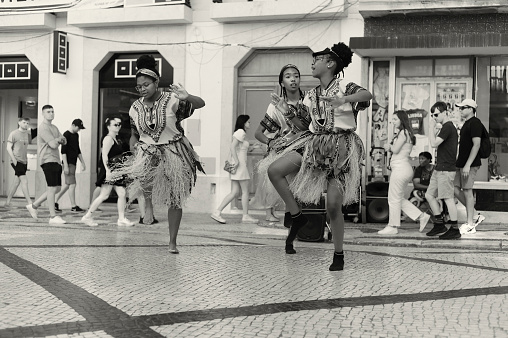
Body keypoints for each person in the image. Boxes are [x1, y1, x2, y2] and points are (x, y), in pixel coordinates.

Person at [268, 43, 372, 271]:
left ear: (330, 64)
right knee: (274, 170)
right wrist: (286, 110)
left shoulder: (344, 85)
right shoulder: (311, 95)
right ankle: (297, 215)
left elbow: (367, 94)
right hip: (315, 146)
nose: (312, 64)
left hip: (342, 148)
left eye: (316, 60)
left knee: (333, 206)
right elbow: (303, 124)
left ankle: (338, 254)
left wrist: (343, 100)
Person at [114, 54, 205, 254]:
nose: (142, 89)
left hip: (174, 150)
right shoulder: (135, 108)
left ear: (156, 82)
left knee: (175, 198)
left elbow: (201, 104)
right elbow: (134, 135)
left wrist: (187, 96)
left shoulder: (172, 100)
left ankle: (172, 241)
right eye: (139, 86)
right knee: (142, 176)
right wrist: (135, 150)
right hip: (147, 151)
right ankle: (148, 205)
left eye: (146, 84)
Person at [252, 64, 311, 226]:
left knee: (305, 191)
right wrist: (271, 142)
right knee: (288, 187)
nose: (293, 79)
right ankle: (293, 217)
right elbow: (258, 133)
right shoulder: (275, 105)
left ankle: (305, 221)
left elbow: (307, 128)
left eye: (296, 76)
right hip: (285, 151)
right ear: (282, 82)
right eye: (288, 76)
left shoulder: (309, 100)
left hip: (308, 149)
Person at [378, 110, 431, 235]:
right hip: (403, 168)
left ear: (402, 120)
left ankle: (393, 226)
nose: (393, 121)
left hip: (400, 169)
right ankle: (421, 216)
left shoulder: (403, 133)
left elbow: (395, 150)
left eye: (395, 119)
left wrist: (388, 147)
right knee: (397, 198)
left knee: (393, 199)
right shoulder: (406, 133)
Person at [80, 117, 134, 227]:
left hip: (116, 171)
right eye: (115, 124)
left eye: (119, 124)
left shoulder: (116, 139)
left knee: (122, 193)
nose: (118, 126)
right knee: (104, 195)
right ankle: (87, 216)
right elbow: (104, 155)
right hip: (110, 171)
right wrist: (108, 171)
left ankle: (121, 218)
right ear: (108, 126)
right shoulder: (108, 139)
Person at [211, 115, 259, 224]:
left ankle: (217, 212)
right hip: (240, 166)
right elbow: (232, 147)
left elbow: (240, 149)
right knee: (245, 191)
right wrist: (237, 161)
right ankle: (245, 216)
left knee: (234, 192)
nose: (249, 124)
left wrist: (252, 147)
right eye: (248, 122)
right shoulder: (240, 132)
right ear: (243, 123)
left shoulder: (241, 133)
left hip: (238, 166)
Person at [26, 105, 68, 224]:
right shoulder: (43, 128)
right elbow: (54, 144)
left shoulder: (54, 127)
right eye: (48, 112)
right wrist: (58, 140)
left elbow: (64, 140)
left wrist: (58, 140)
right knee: (52, 188)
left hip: (56, 160)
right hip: (47, 159)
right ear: (43, 114)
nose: (51, 113)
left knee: (57, 188)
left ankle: (34, 206)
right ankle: (52, 216)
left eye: (52, 111)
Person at [424, 101, 460, 237]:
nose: (434, 117)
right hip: (440, 168)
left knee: (448, 198)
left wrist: (430, 127)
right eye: (432, 115)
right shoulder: (445, 127)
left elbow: (433, 144)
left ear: (445, 112)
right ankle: (439, 224)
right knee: (429, 195)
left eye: (436, 114)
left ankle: (455, 229)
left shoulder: (448, 127)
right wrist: (434, 129)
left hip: (446, 169)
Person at [453, 99, 486, 236]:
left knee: (467, 190)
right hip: (461, 163)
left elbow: (476, 144)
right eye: (459, 108)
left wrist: (467, 164)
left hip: (469, 164)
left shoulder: (475, 123)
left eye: (463, 108)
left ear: (471, 109)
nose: (460, 110)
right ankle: (475, 215)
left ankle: (471, 224)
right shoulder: (467, 123)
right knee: (454, 188)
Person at [54, 119, 86, 212]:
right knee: (72, 184)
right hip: (68, 163)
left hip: (73, 162)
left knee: (68, 185)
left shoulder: (76, 135)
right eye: (78, 128)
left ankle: (55, 201)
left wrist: (82, 162)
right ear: (73, 125)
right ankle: (73, 206)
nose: (79, 130)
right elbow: (63, 151)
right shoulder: (66, 135)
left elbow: (77, 150)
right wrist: (66, 166)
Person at [5, 118, 37, 208]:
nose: (26, 124)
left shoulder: (28, 134)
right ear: (19, 123)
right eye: (24, 122)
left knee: (16, 182)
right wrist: (14, 160)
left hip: (24, 161)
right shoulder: (14, 133)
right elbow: (8, 148)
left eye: (27, 123)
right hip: (16, 161)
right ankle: (30, 203)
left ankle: (7, 202)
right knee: (24, 181)